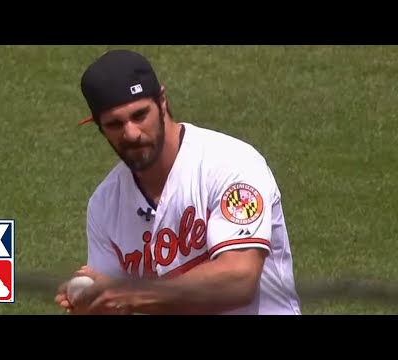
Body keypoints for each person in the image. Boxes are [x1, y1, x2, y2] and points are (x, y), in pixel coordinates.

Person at [54, 49, 302, 315]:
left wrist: (127, 294)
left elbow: (239, 280)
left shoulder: (230, 164)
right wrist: (95, 305)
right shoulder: (104, 205)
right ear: (99, 127)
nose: (131, 133)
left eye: (139, 116)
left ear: (162, 101)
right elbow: (116, 302)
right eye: (114, 124)